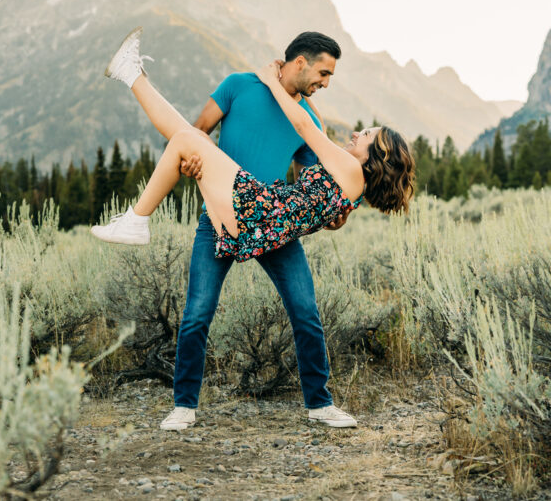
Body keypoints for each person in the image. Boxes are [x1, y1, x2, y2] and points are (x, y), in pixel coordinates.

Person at [92, 27, 415, 430]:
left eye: (365, 135)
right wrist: (195, 165)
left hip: (266, 217)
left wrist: (337, 214)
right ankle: (184, 406)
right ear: (300, 62)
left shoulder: (312, 121)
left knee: (306, 313)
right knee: (197, 314)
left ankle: (320, 402)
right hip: (243, 213)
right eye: (324, 73)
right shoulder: (238, 87)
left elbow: (318, 174)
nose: (326, 83)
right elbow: (200, 133)